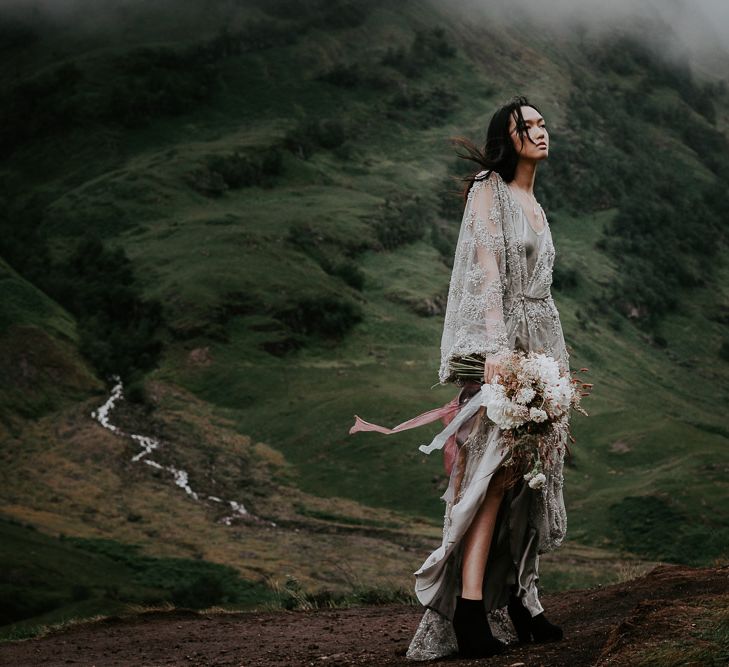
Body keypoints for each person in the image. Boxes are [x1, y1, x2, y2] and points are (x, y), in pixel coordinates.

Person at [400, 96, 571, 660]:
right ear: (509, 135)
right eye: (530, 126)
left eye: (544, 123)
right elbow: (485, 268)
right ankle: (470, 610)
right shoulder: (488, 191)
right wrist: (497, 352)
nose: (542, 132)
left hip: (542, 347)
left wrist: (551, 365)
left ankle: (523, 600)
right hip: (504, 352)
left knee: (532, 478)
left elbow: (539, 293)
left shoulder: (535, 203)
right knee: (493, 476)